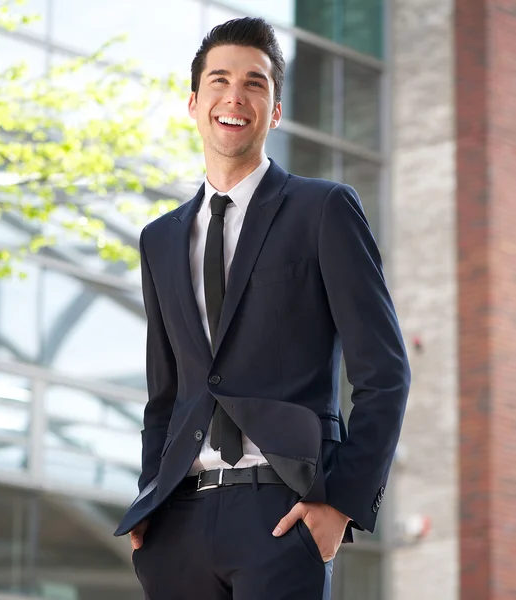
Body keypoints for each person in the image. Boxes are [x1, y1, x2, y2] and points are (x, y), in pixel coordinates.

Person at [114, 16, 411, 600]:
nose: (235, 96)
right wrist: (148, 500)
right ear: (194, 104)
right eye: (220, 81)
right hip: (178, 526)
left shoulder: (322, 209)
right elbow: (165, 395)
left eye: (255, 83)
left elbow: (385, 374)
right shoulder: (160, 239)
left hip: (280, 511)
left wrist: (339, 506)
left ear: (274, 110)